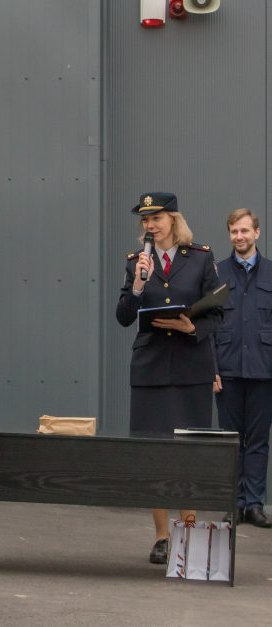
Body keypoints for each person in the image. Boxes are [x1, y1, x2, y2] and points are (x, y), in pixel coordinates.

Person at [115, 192, 223, 564]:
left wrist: (193, 325)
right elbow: (124, 315)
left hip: (191, 367)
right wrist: (139, 285)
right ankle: (162, 536)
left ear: (173, 220)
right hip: (150, 369)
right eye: (145, 220)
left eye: (157, 218)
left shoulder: (201, 258)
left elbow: (218, 312)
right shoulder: (135, 264)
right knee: (154, 454)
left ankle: (188, 531)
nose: (150, 226)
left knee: (189, 453)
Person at [213, 208, 272, 528]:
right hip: (229, 370)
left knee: (259, 440)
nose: (240, 237)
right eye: (234, 231)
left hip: (264, 370)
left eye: (245, 231)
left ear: (257, 233)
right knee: (230, 440)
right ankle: (233, 503)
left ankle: (254, 504)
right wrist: (212, 369)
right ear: (230, 234)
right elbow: (207, 325)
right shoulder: (217, 274)